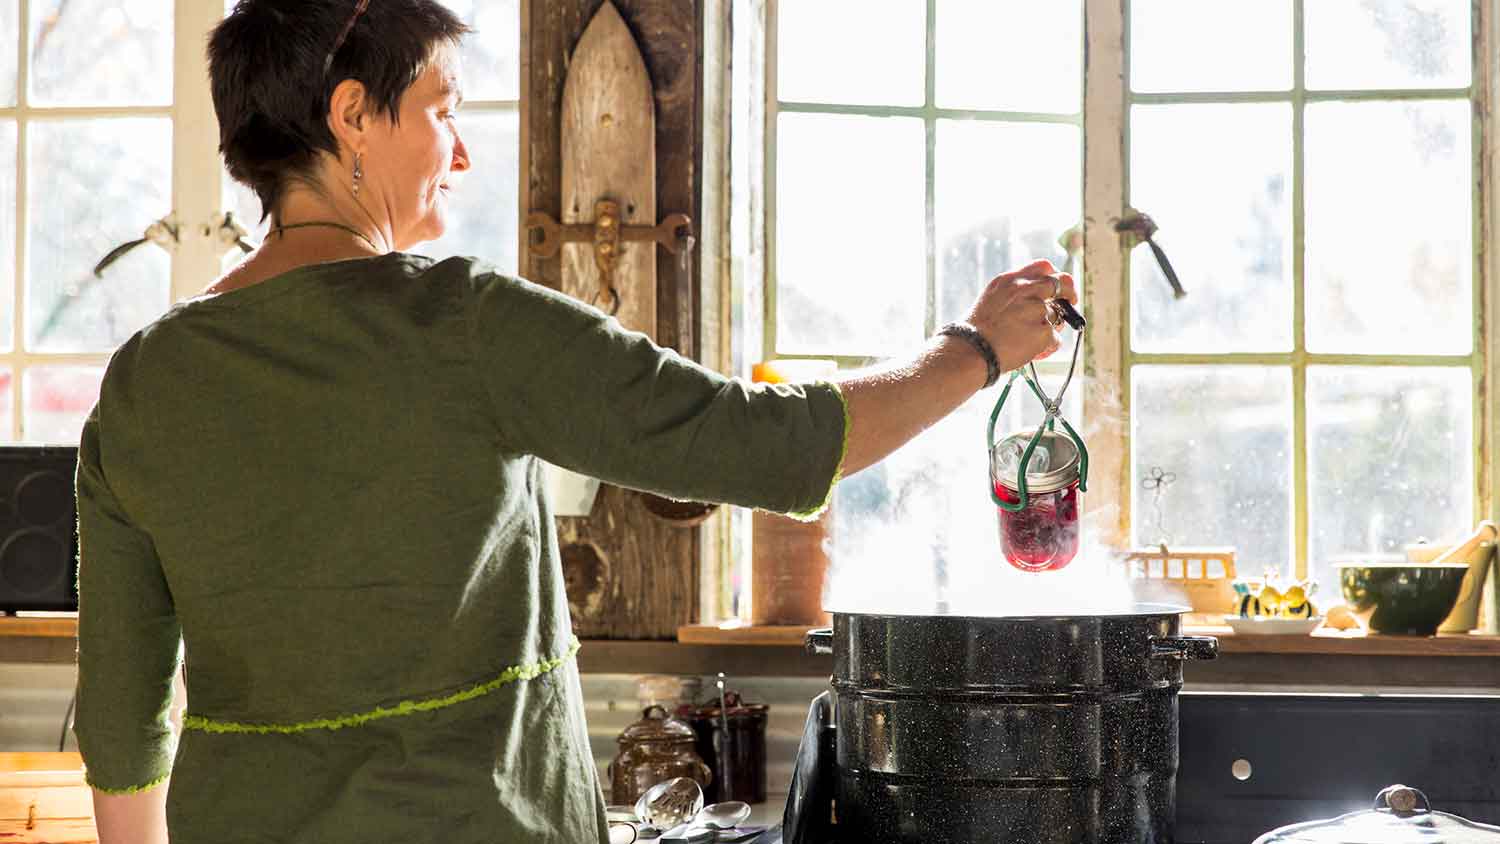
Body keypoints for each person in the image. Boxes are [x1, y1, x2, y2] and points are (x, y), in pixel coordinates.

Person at [72, 1, 1078, 842]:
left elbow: (122, 723)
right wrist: (975, 350)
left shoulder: (143, 383)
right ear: (351, 117)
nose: (459, 152)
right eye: (439, 110)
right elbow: (768, 446)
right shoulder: (463, 320)